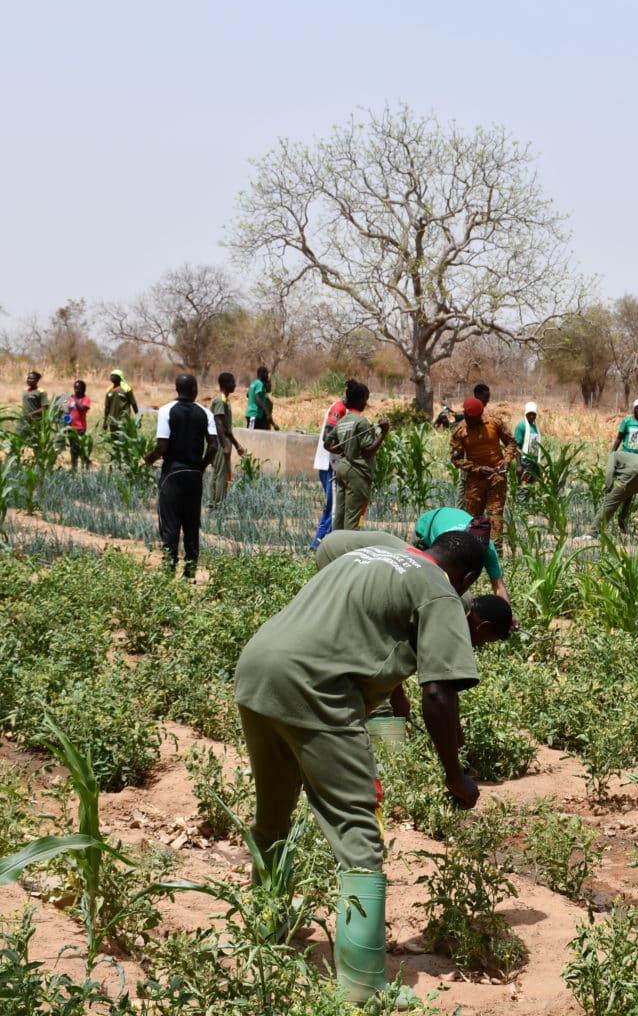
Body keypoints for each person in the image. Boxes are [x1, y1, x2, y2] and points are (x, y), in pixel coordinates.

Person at [233, 533, 512, 994]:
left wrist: (390, 687)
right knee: (357, 828)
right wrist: (454, 775)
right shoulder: (440, 589)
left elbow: (331, 546)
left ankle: (266, 927)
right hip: (316, 688)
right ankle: (363, 985)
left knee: (273, 812)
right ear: (465, 579)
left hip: (258, 669)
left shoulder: (371, 553)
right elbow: (439, 693)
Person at [143, 374, 218, 578]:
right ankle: (190, 573)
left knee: (170, 524)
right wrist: (200, 467)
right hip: (194, 475)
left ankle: (169, 570)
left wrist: (146, 460)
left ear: (177, 389)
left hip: (172, 474)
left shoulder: (166, 411)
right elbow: (213, 446)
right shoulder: (205, 413)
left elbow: (162, 446)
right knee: (191, 523)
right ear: (194, 389)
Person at [324, 382, 389, 532]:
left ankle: (334, 550)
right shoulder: (362, 422)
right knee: (353, 520)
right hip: (357, 474)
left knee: (339, 517)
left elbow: (326, 443)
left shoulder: (343, 421)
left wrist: (340, 449)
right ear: (360, 400)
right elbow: (368, 451)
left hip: (342, 470)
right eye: (366, 399)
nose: (366, 403)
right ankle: (348, 552)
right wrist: (383, 432)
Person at [450, 397, 515, 543]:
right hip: (475, 480)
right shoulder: (460, 430)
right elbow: (456, 459)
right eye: (467, 416)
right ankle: (472, 552)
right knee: (472, 519)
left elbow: (511, 442)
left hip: (497, 476)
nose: (469, 420)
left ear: (479, 415)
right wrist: (477, 469)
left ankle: (496, 555)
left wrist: (507, 461)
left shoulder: (494, 422)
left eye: (472, 418)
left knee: (495, 516)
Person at [412, 508, 510, 600]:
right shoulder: (450, 544)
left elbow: (499, 586)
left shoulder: (489, 549)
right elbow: (441, 583)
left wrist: (506, 615)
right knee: (423, 582)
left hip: (449, 518)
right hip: (425, 528)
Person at [310, 383, 354, 549]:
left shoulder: (344, 409)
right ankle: (318, 545)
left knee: (332, 509)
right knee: (333, 509)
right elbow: (327, 437)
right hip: (329, 464)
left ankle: (318, 544)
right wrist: (345, 451)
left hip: (332, 464)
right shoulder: (339, 409)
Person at [206, 372, 245, 509]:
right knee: (221, 474)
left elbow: (225, 426)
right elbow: (219, 423)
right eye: (232, 382)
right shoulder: (220, 401)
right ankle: (218, 504)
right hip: (220, 441)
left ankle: (213, 503)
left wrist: (235, 444)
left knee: (217, 472)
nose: (234, 385)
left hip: (222, 440)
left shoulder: (224, 400)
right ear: (225, 384)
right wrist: (225, 444)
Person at [101, 369, 139, 437]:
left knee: (123, 440)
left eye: (114, 376)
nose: (112, 377)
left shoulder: (126, 389)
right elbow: (107, 407)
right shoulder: (109, 390)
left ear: (120, 377)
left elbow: (133, 404)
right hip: (112, 421)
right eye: (111, 375)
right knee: (114, 440)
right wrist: (105, 421)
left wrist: (138, 418)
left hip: (123, 420)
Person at [64, 380, 92, 469]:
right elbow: (68, 411)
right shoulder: (70, 399)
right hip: (70, 427)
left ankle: (87, 461)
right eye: (75, 388)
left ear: (83, 389)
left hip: (80, 427)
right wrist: (65, 418)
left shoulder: (86, 399)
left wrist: (75, 399)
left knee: (77, 447)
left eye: (78, 388)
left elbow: (82, 408)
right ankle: (74, 467)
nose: (76, 390)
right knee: (73, 448)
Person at [513, 402, 541, 488]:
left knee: (531, 488)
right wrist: (518, 465)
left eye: (534, 414)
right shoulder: (521, 426)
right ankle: (521, 502)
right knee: (523, 487)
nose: (532, 416)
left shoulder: (535, 427)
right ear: (526, 414)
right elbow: (517, 446)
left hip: (534, 463)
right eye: (529, 414)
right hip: (525, 463)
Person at [19, 372, 47, 436]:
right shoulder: (25, 390)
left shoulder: (41, 392)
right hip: (24, 419)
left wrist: (31, 414)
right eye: (28, 378)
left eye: (32, 378)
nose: (29, 380)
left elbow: (45, 407)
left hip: (35, 421)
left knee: (34, 441)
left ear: (37, 380)